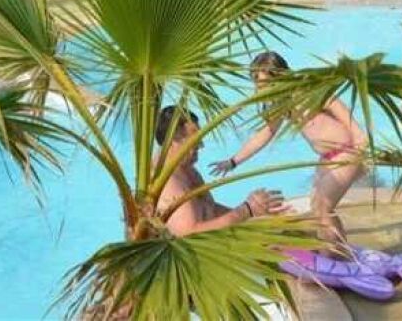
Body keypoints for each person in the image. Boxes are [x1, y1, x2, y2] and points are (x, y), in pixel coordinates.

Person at [210, 52, 368, 244]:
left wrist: (360, 148)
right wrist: (234, 161)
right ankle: (343, 256)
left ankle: (336, 259)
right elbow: (266, 133)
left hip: (347, 151)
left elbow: (346, 117)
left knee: (323, 207)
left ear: (280, 76)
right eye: (258, 84)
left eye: (265, 83)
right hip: (327, 157)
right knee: (319, 211)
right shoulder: (282, 103)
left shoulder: (310, 90)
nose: (261, 89)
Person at [155, 105, 289, 237]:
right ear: (174, 140)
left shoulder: (187, 170)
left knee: (286, 233)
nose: (201, 145)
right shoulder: (168, 183)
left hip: (215, 244)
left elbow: (211, 208)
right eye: (195, 139)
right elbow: (189, 235)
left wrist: (253, 217)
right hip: (199, 253)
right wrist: (246, 210)